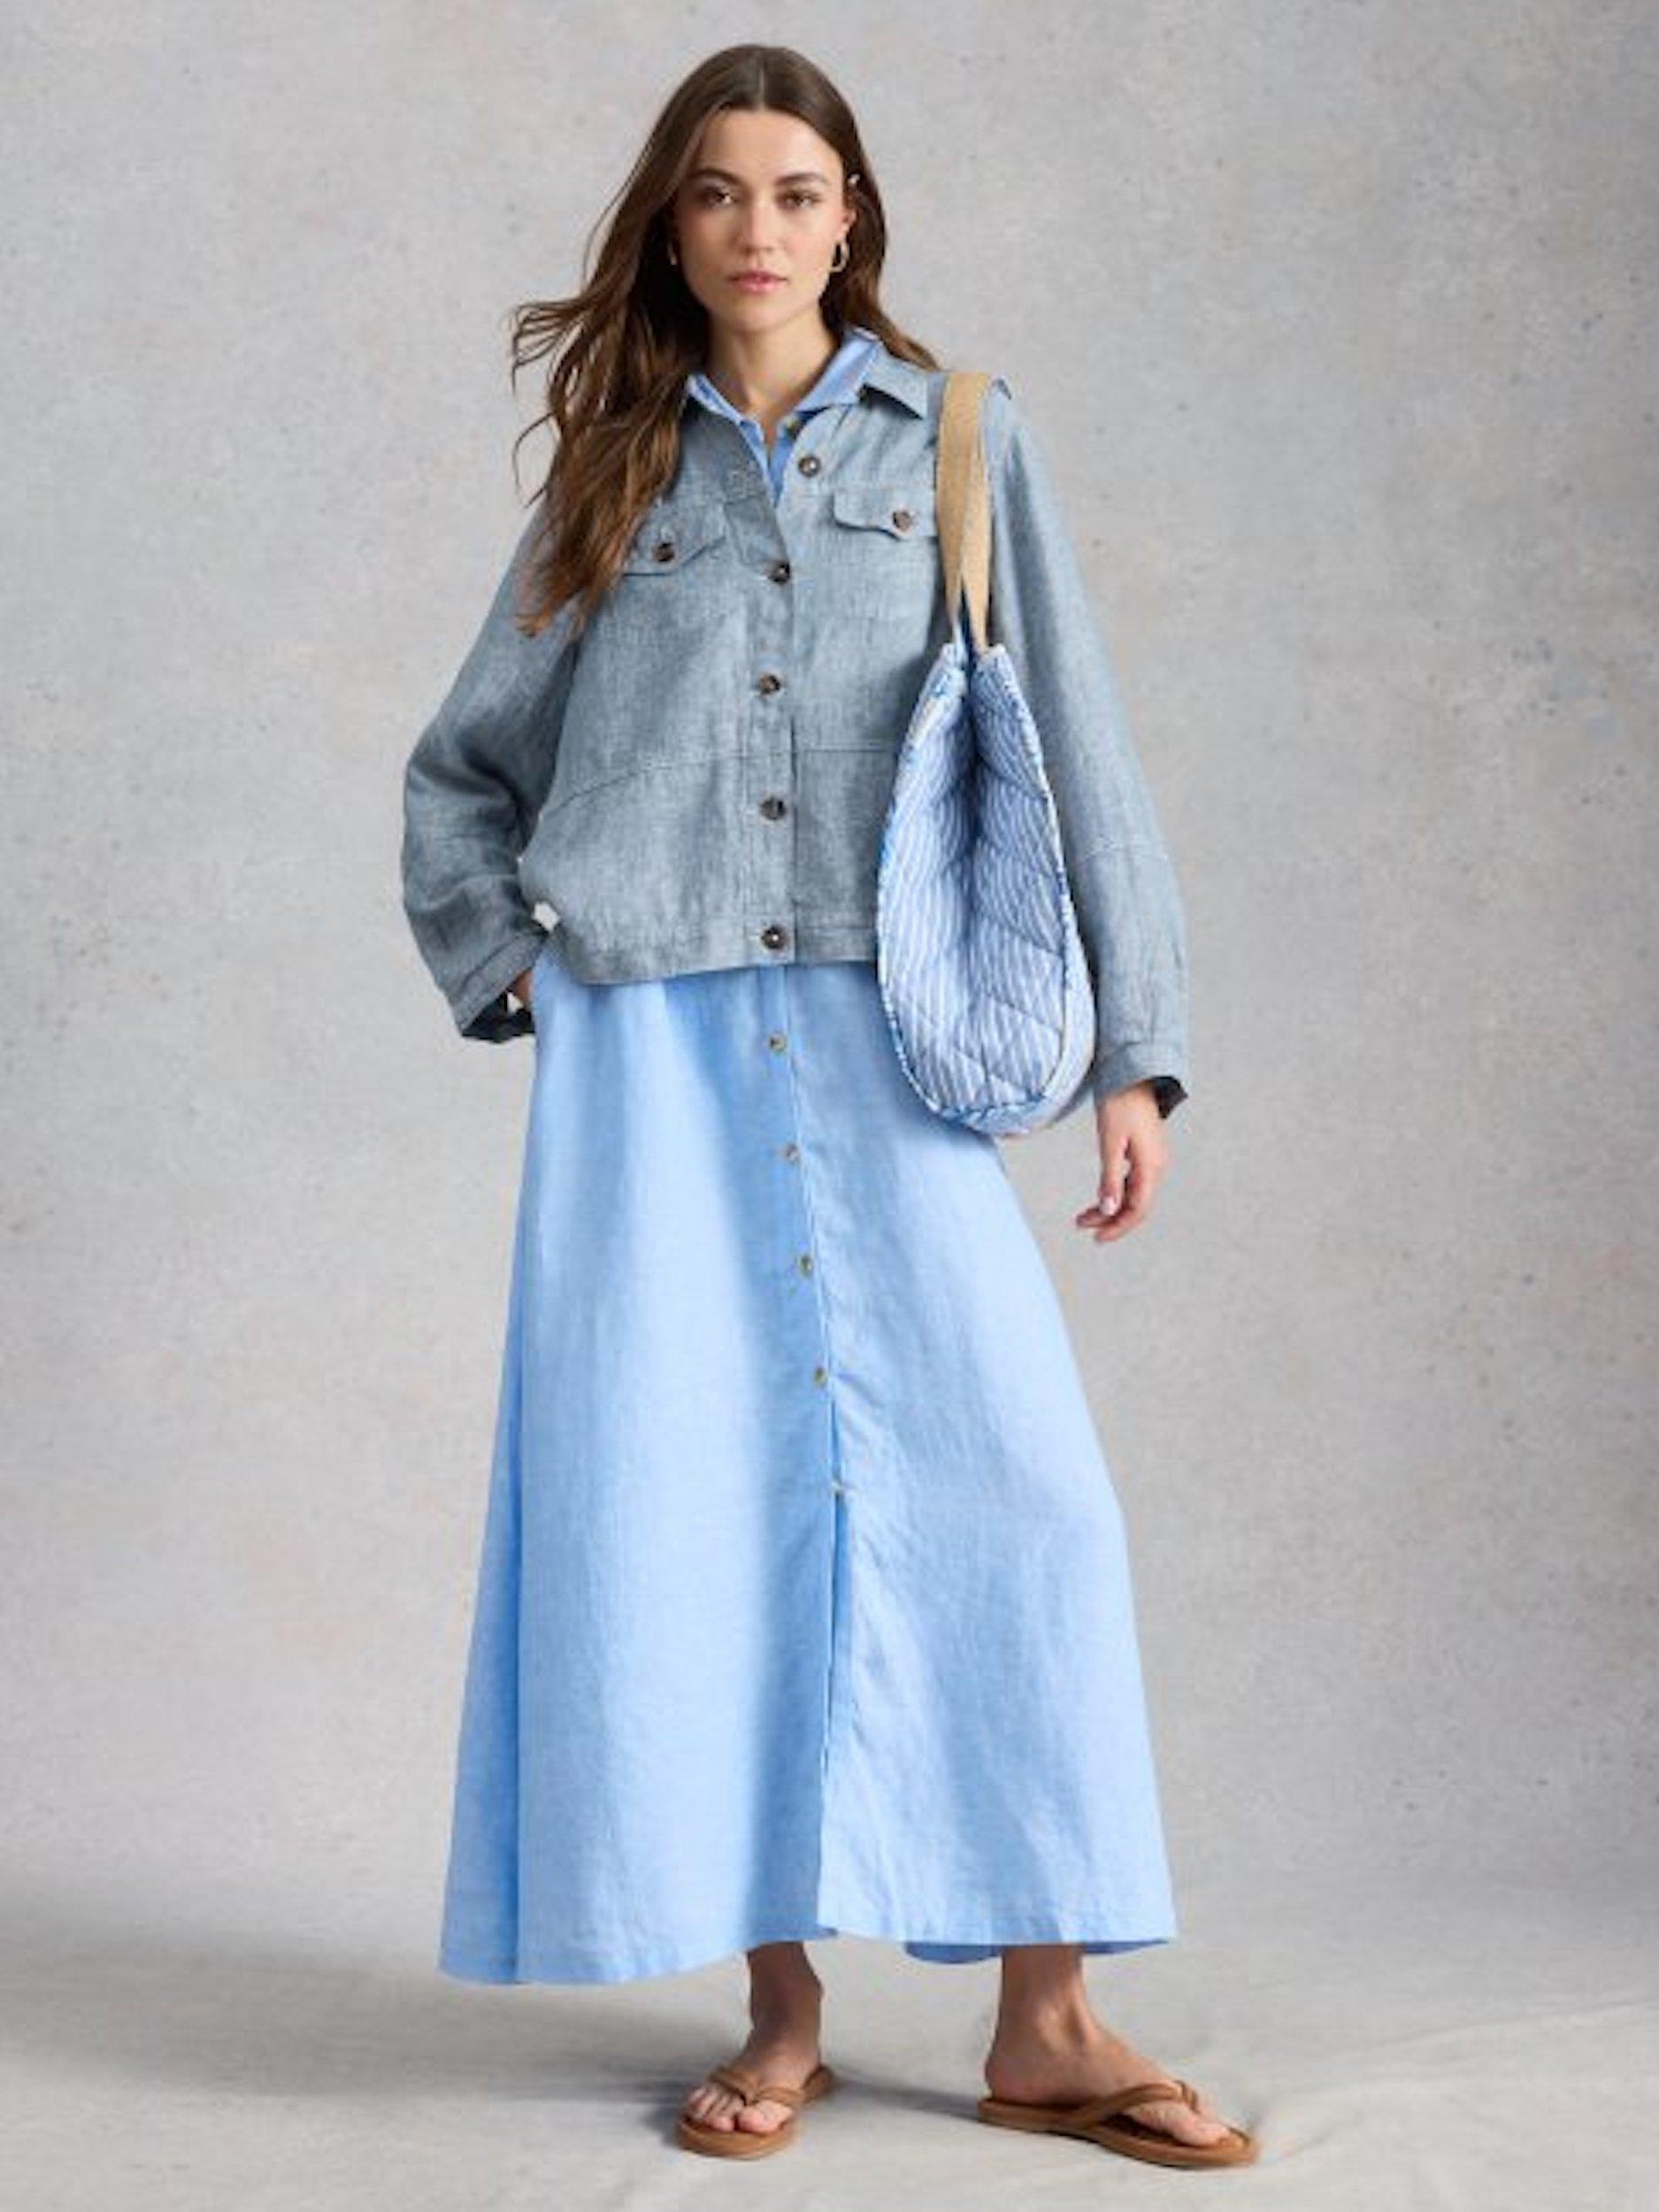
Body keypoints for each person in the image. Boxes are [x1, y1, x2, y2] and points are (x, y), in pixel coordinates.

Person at [400, 41, 1256, 2173]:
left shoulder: (958, 439)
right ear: (672, 223)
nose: (756, 228)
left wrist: (1132, 1051)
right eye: (716, 191)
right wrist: (514, 963)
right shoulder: (612, 475)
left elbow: (1076, 734)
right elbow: (461, 770)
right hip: (654, 1058)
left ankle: (1044, 2016)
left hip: (894, 1036)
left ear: (848, 213)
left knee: (1020, 1499)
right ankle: (777, 2009)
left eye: (794, 190)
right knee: (692, 1510)